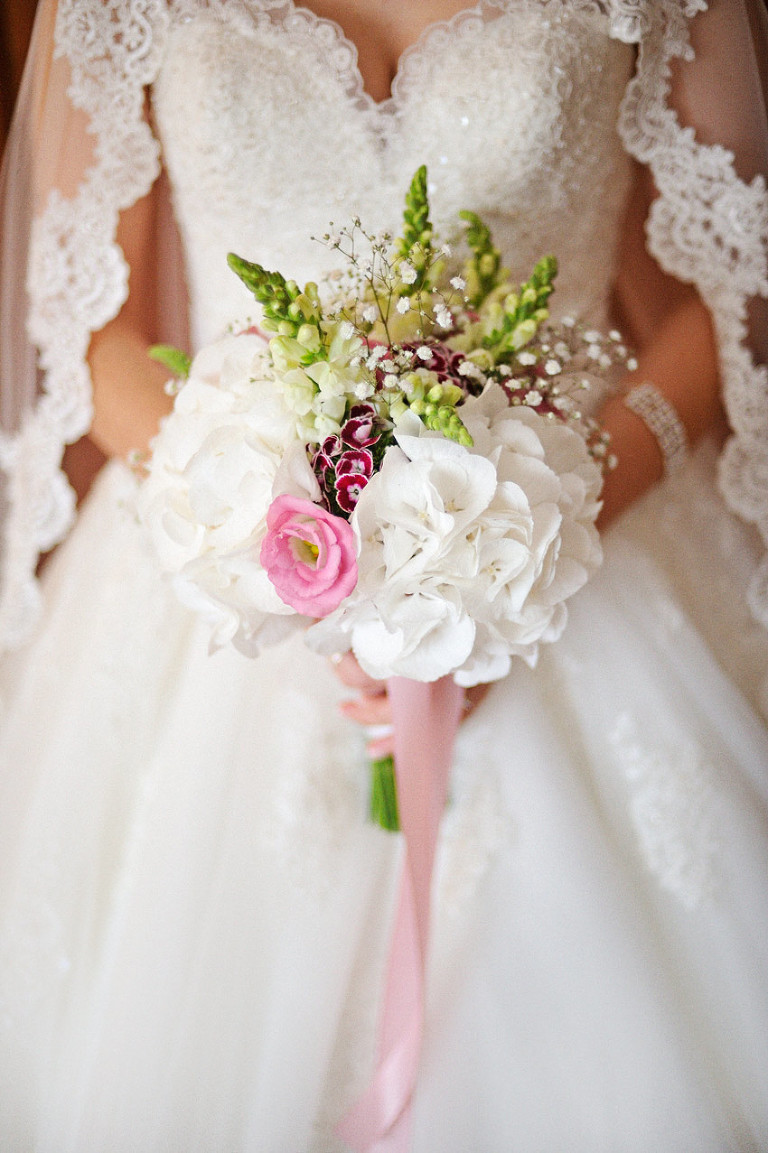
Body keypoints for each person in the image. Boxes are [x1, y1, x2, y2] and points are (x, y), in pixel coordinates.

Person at [0, 0, 767, 1149]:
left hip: (575, 545)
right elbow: (83, 314)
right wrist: (266, 531)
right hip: (213, 567)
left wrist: (542, 519)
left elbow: (737, 281)